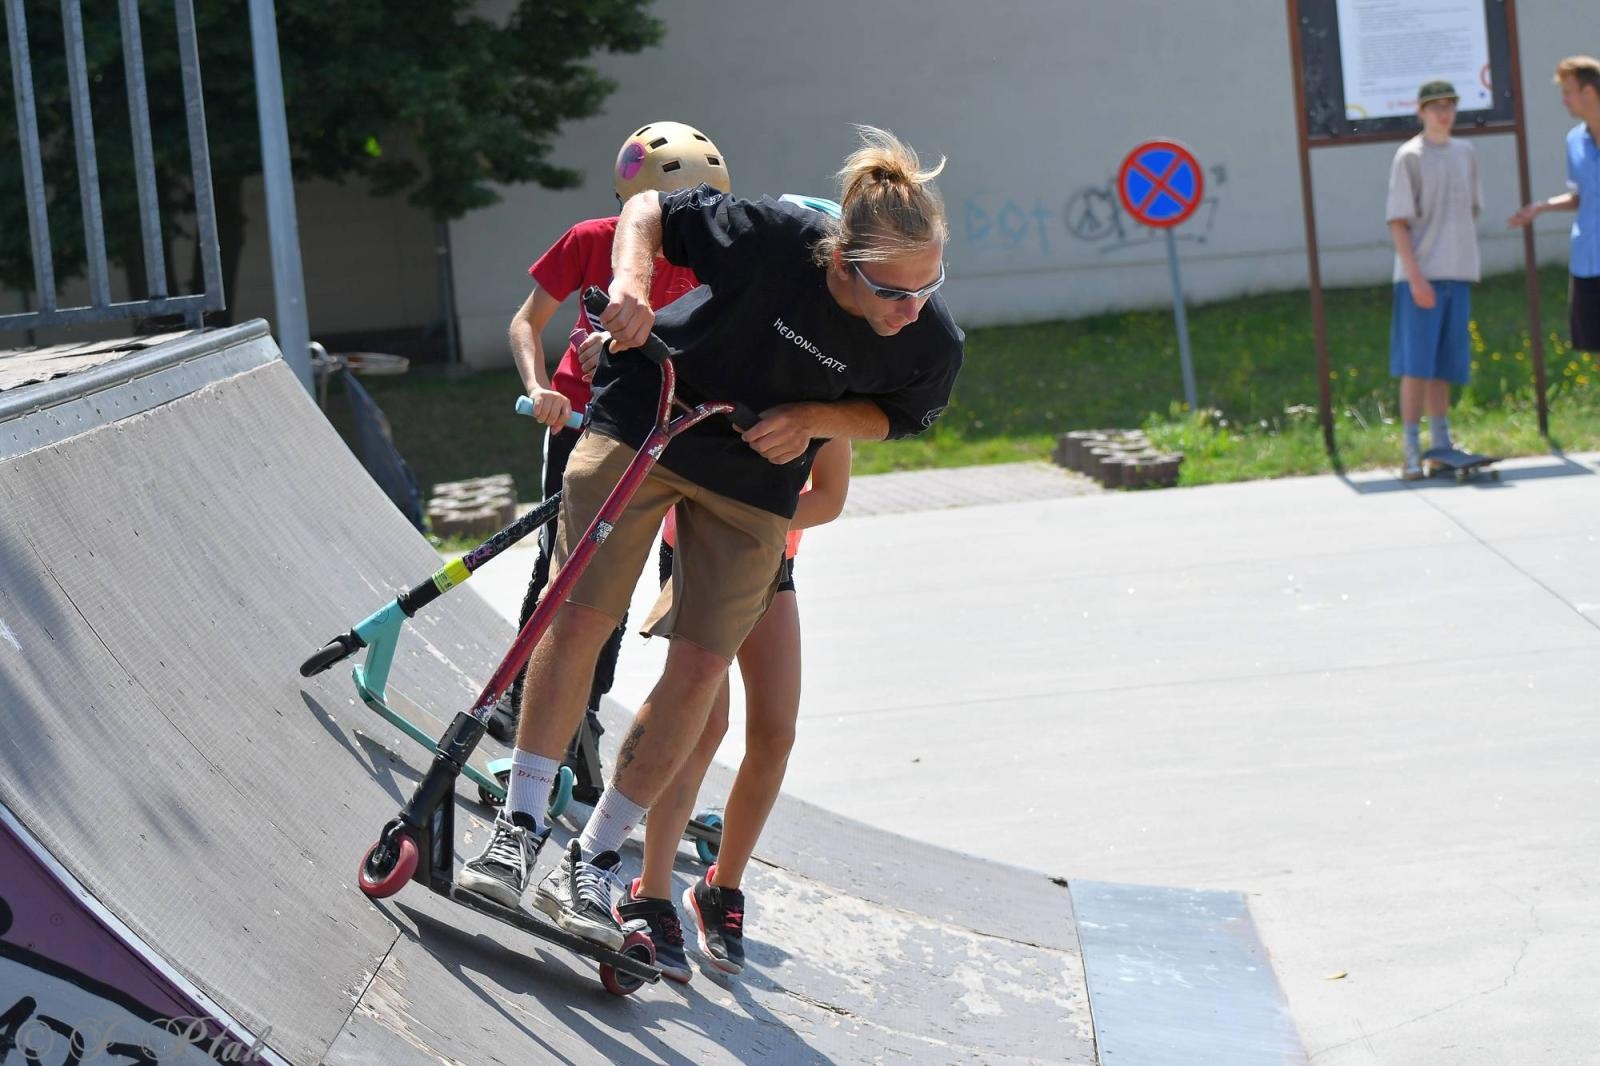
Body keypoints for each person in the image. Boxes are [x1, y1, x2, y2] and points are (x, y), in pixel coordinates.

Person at [456, 125, 963, 954]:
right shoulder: (775, 237)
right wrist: (630, 283)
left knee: (701, 664)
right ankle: (518, 829)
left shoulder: (929, 338)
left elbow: (896, 416)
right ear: (842, 262)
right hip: (648, 414)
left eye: (928, 288)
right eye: (894, 293)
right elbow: (649, 211)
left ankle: (595, 859)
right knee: (582, 616)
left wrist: (815, 418)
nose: (912, 312)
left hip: (753, 477)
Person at [484, 122, 733, 804]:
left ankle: (584, 712)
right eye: (675, 215)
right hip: (579, 425)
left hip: (651, 434)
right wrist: (540, 388)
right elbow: (525, 322)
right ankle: (519, 696)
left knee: (615, 580)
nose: (688, 232)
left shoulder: (714, 264)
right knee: (560, 565)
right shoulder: (590, 240)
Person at [615, 434, 851, 981]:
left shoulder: (832, 396)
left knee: (775, 734)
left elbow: (830, 496)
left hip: (769, 556)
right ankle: (650, 892)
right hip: (699, 548)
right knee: (702, 723)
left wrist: (758, 513)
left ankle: (720, 890)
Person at [1385, 79, 1482, 480]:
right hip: (1421, 278)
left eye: (1449, 105)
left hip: (1457, 274)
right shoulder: (1409, 156)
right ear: (1421, 112)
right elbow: (1398, 222)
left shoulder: (1465, 153)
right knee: (1416, 366)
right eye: (1435, 106)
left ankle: (1440, 443)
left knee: (1445, 366)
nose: (1444, 113)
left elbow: (1471, 210)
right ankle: (1410, 448)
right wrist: (1416, 278)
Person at [1509, 56, 1600, 356]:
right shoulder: (1574, 140)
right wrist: (1541, 207)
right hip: (1586, 262)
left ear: (1588, 92)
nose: (1564, 101)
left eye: (1567, 93)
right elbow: (1582, 196)